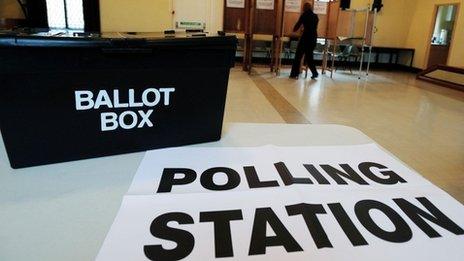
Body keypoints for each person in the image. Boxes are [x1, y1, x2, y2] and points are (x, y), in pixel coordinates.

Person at [289, 2, 319, 79]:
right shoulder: (316, 16)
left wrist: (293, 30)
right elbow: (313, 27)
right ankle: (315, 73)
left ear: (304, 8)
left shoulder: (304, 15)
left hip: (305, 38)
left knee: (298, 56)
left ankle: (294, 74)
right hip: (313, 38)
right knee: (309, 57)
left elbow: (297, 25)